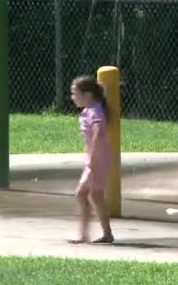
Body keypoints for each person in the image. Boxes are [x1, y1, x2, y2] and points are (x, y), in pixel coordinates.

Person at [68, 75, 114, 244]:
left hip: (96, 160)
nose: (73, 97)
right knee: (95, 196)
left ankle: (86, 234)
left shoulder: (94, 111)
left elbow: (99, 131)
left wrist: (93, 158)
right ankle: (105, 233)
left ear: (87, 95)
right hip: (96, 159)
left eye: (75, 93)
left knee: (82, 195)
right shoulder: (90, 110)